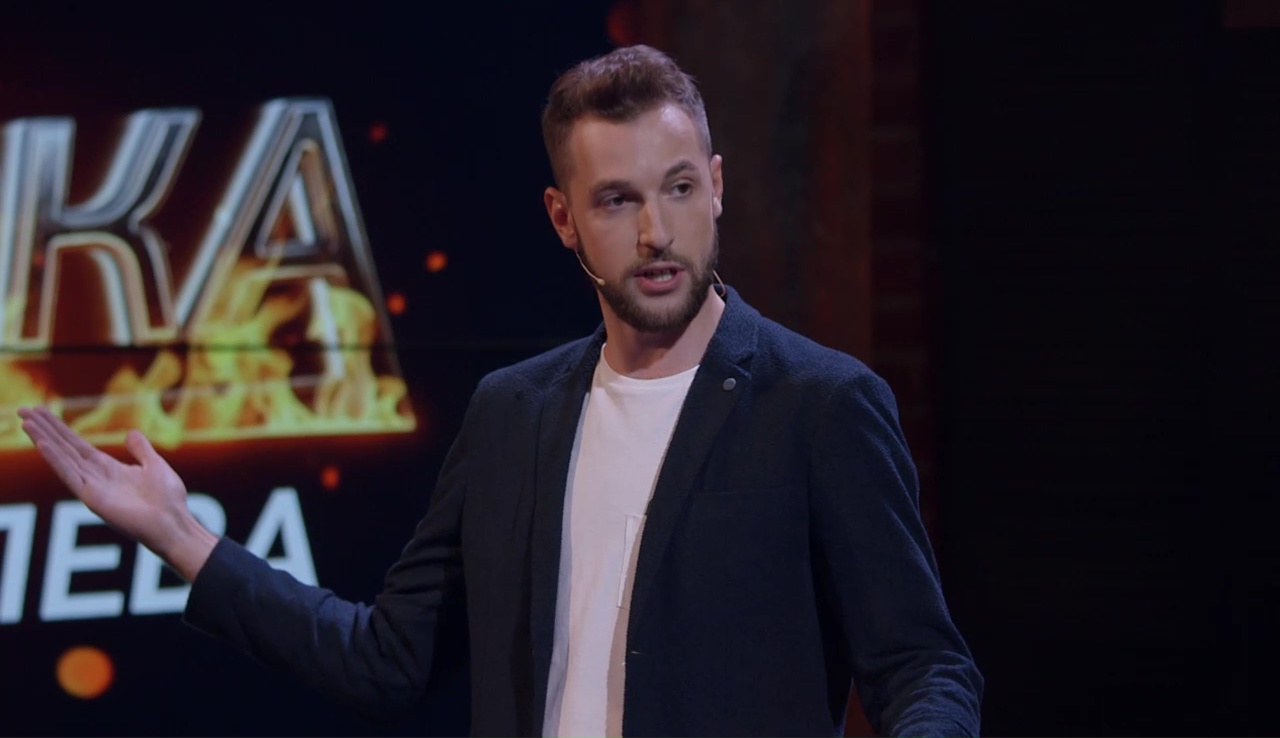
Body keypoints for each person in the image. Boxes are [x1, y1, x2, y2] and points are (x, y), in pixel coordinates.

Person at [18, 44, 982, 738]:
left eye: (680, 188)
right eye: (618, 200)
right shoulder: (512, 413)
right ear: (563, 218)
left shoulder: (821, 404)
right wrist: (180, 535)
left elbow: (923, 667)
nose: (657, 232)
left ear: (718, 186)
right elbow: (387, 661)